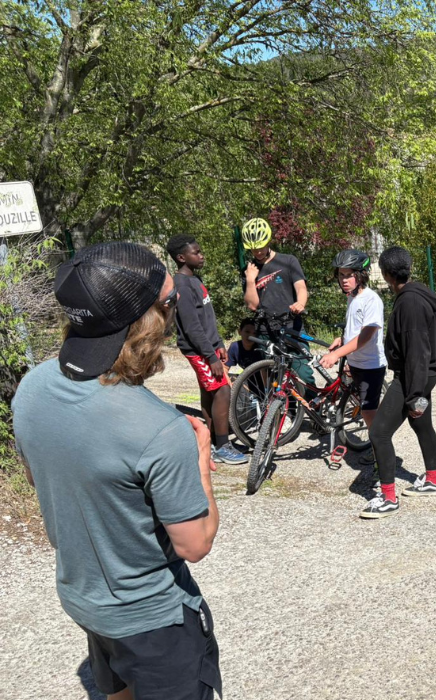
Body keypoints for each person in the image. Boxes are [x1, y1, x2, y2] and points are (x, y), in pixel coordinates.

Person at [11, 242, 222, 700]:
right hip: (154, 620)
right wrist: (201, 457)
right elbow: (195, 543)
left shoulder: (30, 389)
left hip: (85, 601)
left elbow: (39, 478)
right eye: (169, 301)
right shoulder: (160, 430)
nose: (178, 304)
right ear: (146, 322)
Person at [362, 246, 436, 519]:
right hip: (423, 375)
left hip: (414, 377)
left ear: (387, 275)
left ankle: (388, 498)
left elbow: (417, 354)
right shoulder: (415, 292)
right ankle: (433, 479)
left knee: (378, 433)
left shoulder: (409, 303)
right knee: (420, 423)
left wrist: (414, 396)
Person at [167, 234, 247, 465]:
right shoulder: (181, 284)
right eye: (196, 252)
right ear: (182, 257)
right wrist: (210, 356)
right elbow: (192, 327)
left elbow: (206, 319)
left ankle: (210, 442)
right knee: (222, 391)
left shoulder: (194, 280)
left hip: (208, 347)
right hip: (198, 350)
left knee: (211, 392)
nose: (201, 255)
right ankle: (222, 446)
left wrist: (219, 344)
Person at [320, 249, 387, 465]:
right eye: (340, 275)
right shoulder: (352, 298)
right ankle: (378, 446)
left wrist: (337, 355)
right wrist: (341, 340)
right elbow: (354, 329)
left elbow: (367, 335)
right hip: (355, 363)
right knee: (362, 408)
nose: (344, 280)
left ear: (360, 275)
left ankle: (381, 453)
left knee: (369, 412)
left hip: (371, 366)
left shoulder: (371, 299)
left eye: (349, 275)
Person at [240, 217, 315, 385]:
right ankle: (279, 411)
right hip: (266, 331)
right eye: (253, 249)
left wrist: (300, 303)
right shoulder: (249, 270)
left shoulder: (288, 261)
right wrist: (251, 280)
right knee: (274, 380)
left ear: (268, 241)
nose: (257, 252)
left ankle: (311, 406)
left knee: (303, 375)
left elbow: (301, 288)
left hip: (291, 327)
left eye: (260, 247)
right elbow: (253, 305)